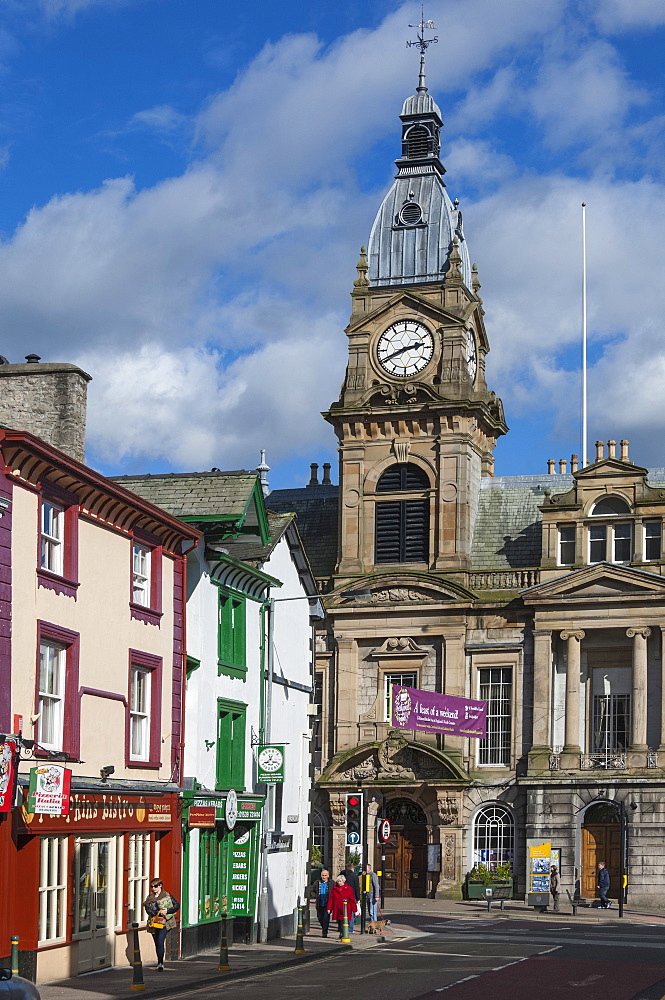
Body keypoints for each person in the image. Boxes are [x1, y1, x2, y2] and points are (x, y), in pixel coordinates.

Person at [143, 878, 180, 970]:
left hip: (165, 923)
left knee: (160, 940)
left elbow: (176, 906)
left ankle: (160, 964)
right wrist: (153, 913)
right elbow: (147, 909)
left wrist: (167, 910)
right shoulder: (150, 897)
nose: (153, 888)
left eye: (155, 886)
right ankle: (159, 960)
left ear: (160, 886)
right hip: (154, 922)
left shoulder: (167, 895)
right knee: (157, 943)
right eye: (152, 886)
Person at [327, 874, 357, 939]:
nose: (339, 883)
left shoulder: (349, 889)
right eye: (338, 881)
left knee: (345, 922)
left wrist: (354, 909)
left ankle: (344, 934)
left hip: (346, 909)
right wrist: (329, 908)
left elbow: (352, 899)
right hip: (337, 908)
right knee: (339, 922)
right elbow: (331, 899)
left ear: (343, 881)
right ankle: (341, 934)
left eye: (340, 881)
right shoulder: (334, 889)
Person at [312, 869, 332, 937]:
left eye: (325, 875)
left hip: (327, 902)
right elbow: (312, 890)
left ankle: (325, 931)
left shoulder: (331, 883)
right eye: (323, 875)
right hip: (320, 902)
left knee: (326, 918)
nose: (324, 877)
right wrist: (315, 896)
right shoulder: (317, 882)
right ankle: (324, 928)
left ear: (328, 876)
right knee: (319, 917)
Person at [342, 863, 360, 932]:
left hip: (342, 896)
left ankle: (342, 927)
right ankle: (350, 928)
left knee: (343, 912)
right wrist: (358, 898)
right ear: (352, 868)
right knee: (351, 912)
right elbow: (357, 888)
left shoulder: (342, 874)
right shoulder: (354, 876)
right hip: (351, 896)